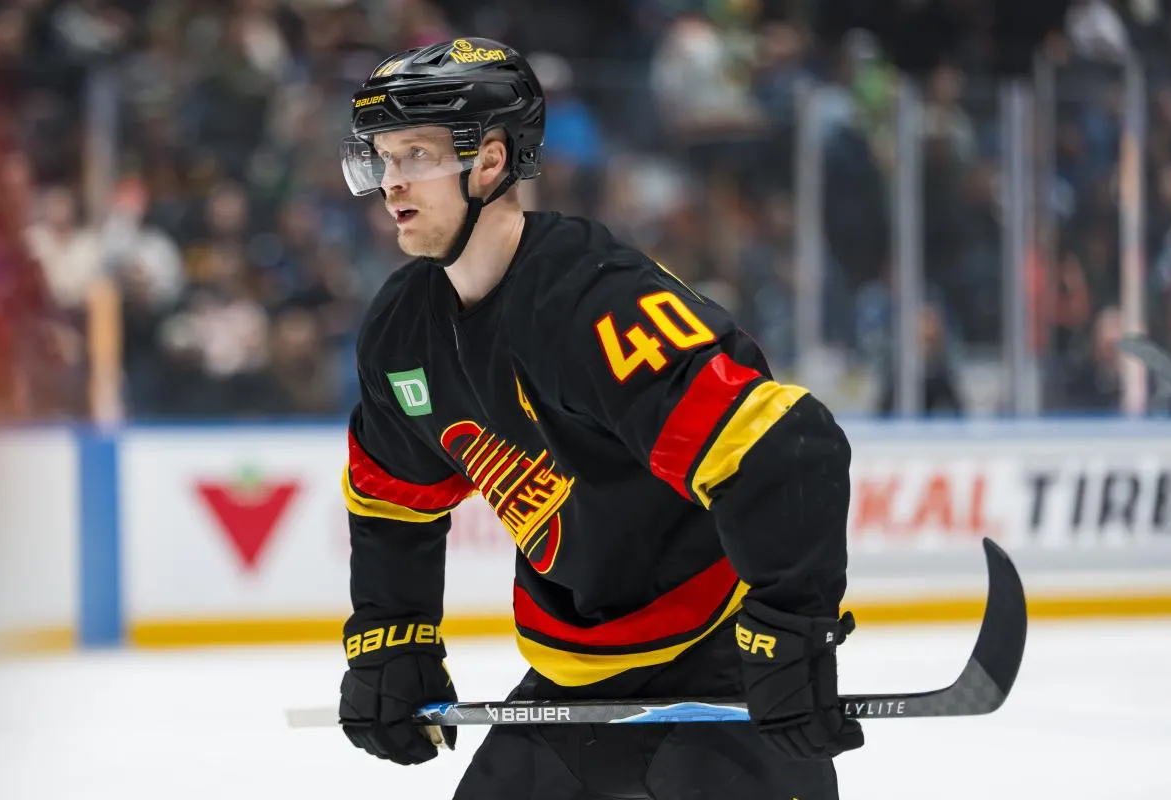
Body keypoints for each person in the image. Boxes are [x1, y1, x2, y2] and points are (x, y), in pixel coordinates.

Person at [335, 37, 863, 800]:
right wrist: (393, 636)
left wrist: (787, 630)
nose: (391, 183)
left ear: (488, 162)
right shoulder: (401, 331)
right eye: (382, 158)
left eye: (414, 155)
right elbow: (390, 494)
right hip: (570, 667)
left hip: (714, 654)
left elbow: (785, 447)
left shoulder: (592, 303)